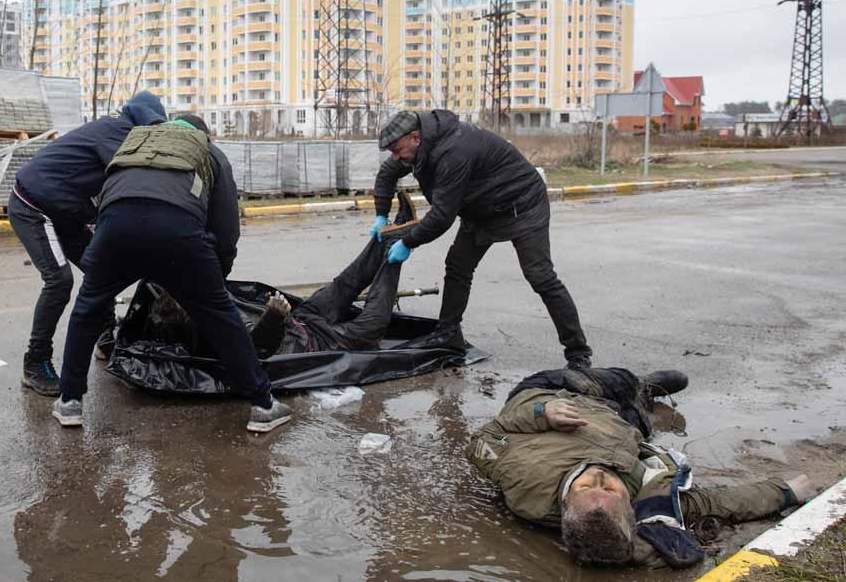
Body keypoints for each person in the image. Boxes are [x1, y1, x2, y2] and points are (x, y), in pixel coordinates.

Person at [54, 114, 292, 433]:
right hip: (176, 231)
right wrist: (216, 279)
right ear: (204, 134)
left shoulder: (135, 145)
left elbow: (108, 194)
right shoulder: (208, 151)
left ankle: (69, 401)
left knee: (87, 308)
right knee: (220, 316)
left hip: (114, 228)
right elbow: (226, 228)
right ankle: (263, 406)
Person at [465, 367, 816, 568]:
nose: (598, 480)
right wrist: (786, 492)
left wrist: (542, 413)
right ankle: (641, 393)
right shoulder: (649, 497)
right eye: (611, 490)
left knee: (621, 380)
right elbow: (720, 503)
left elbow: (483, 436)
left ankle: (635, 384)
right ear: (631, 509)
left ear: (565, 504)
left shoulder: (525, 483)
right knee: (636, 406)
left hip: (553, 392)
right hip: (622, 428)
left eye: (586, 489)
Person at [371, 110, 592, 368]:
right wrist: (380, 215)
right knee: (457, 267)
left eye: (398, 150)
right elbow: (387, 174)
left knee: (540, 276)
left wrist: (408, 242)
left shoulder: (453, 151)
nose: (396, 158)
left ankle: (578, 353)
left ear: (416, 137)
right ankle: (448, 333)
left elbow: (442, 216)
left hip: (522, 205)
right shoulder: (417, 148)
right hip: (482, 209)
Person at [10, 91, 166, 397]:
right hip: (32, 206)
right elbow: (129, 180)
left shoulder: (119, 129)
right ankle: (35, 362)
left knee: (102, 268)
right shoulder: (119, 132)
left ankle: (106, 339)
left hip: (64, 209)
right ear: (146, 121)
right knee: (58, 282)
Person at [249, 195, 419, 358]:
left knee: (344, 284)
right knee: (372, 324)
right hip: (314, 344)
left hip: (299, 320)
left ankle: (396, 230)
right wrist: (272, 317)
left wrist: (275, 316)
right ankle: (398, 239)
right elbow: (253, 351)